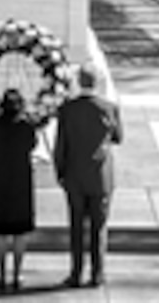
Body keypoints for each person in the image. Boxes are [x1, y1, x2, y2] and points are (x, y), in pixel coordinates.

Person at [53, 63, 123, 288]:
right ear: (97, 83)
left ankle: (76, 273)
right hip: (101, 177)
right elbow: (118, 137)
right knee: (98, 227)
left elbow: (60, 146)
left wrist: (60, 172)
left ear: (78, 82)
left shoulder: (67, 109)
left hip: (74, 176)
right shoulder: (109, 108)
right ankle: (97, 273)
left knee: (76, 227)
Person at [0, 88, 37, 292]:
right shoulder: (26, 127)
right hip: (21, 184)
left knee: (1, 234)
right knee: (20, 233)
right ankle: (18, 274)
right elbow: (32, 145)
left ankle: (2, 275)